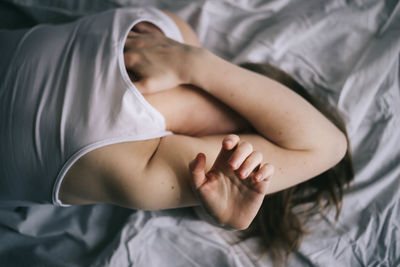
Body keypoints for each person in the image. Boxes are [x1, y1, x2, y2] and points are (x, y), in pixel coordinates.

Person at [0, 7, 353, 263]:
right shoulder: (141, 167)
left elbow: (328, 144)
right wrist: (195, 64)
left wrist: (197, 63)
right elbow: (328, 146)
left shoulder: (165, 31)